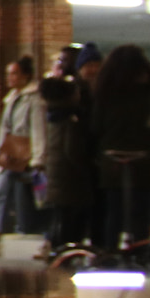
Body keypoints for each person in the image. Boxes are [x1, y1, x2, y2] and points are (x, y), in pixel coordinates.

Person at [0, 54, 45, 257]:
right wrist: (0, 153)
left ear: (25, 75)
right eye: (8, 74)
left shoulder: (34, 98)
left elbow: (38, 128)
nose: (10, 78)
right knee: (1, 192)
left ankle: (49, 239)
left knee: (42, 198)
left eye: (14, 74)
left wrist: (38, 158)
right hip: (11, 154)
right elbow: (5, 127)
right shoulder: (12, 98)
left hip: (27, 153)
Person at [91, 43, 150, 248]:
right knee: (141, 212)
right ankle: (140, 253)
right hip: (144, 160)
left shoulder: (105, 92)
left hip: (112, 159)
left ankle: (110, 255)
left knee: (113, 212)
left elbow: (96, 127)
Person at [38, 44, 100, 253]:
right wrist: (88, 164)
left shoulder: (56, 114)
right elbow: (73, 150)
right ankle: (65, 254)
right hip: (71, 179)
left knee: (61, 220)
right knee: (70, 224)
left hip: (59, 178)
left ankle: (57, 250)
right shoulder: (70, 118)